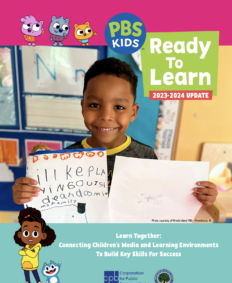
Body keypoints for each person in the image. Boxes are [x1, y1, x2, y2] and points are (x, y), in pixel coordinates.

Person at [12, 57, 218, 207]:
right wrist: (24, 194)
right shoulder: (65, 159)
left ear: (133, 112)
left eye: (118, 107)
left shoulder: (144, 156)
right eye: (94, 105)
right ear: (82, 107)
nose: (106, 116)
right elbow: (46, 208)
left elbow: (162, 198)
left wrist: (199, 197)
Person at [14, 207, 56, 283]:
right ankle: (28, 282)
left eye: (35, 233)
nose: (30, 236)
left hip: (33, 265)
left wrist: (26, 251)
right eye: (26, 233)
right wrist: (27, 251)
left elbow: (32, 254)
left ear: (43, 236)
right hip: (25, 264)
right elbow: (20, 252)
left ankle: (39, 282)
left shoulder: (37, 245)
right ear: (20, 234)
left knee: (35, 273)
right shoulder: (26, 245)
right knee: (26, 274)